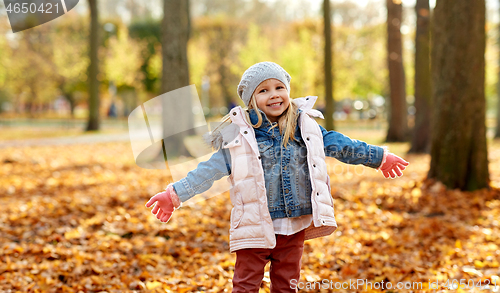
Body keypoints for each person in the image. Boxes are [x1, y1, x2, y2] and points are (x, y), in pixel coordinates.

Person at [146, 62, 409, 292]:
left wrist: (379, 157)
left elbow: (343, 145)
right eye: (264, 90)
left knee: (286, 285)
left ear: (288, 91)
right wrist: (174, 194)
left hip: (293, 227)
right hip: (254, 225)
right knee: (246, 285)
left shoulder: (306, 128)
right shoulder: (239, 137)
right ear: (251, 100)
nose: (274, 95)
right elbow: (208, 170)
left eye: (279, 88)